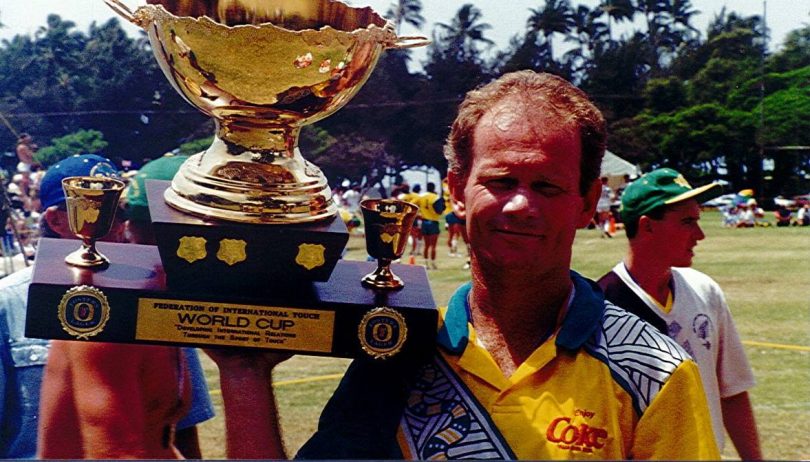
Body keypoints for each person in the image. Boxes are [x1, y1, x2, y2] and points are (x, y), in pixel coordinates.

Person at [207, 71, 719, 459]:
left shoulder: (655, 372)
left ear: (588, 202)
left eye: (547, 186)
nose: (521, 204)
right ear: (456, 190)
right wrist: (243, 371)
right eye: (501, 181)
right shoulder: (397, 348)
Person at [9, 154, 215, 459]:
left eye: (119, 210)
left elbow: (175, 429)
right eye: (104, 209)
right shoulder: (87, 305)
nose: (117, 225)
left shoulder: (157, 299)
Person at [597, 168, 761, 460]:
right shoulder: (601, 307)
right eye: (688, 222)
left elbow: (732, 391)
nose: (700, 235)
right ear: (647, 226)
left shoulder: (704, 291)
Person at [417, 181, 442, 269]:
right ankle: (433, 263)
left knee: (426, 245)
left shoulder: (421, 196)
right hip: (433, 222)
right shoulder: (435, 197)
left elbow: (413, 203)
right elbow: (440, 210)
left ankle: (425, 263)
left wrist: (419, 213)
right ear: (434, 188)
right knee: (433, 246)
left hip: (424, 222)